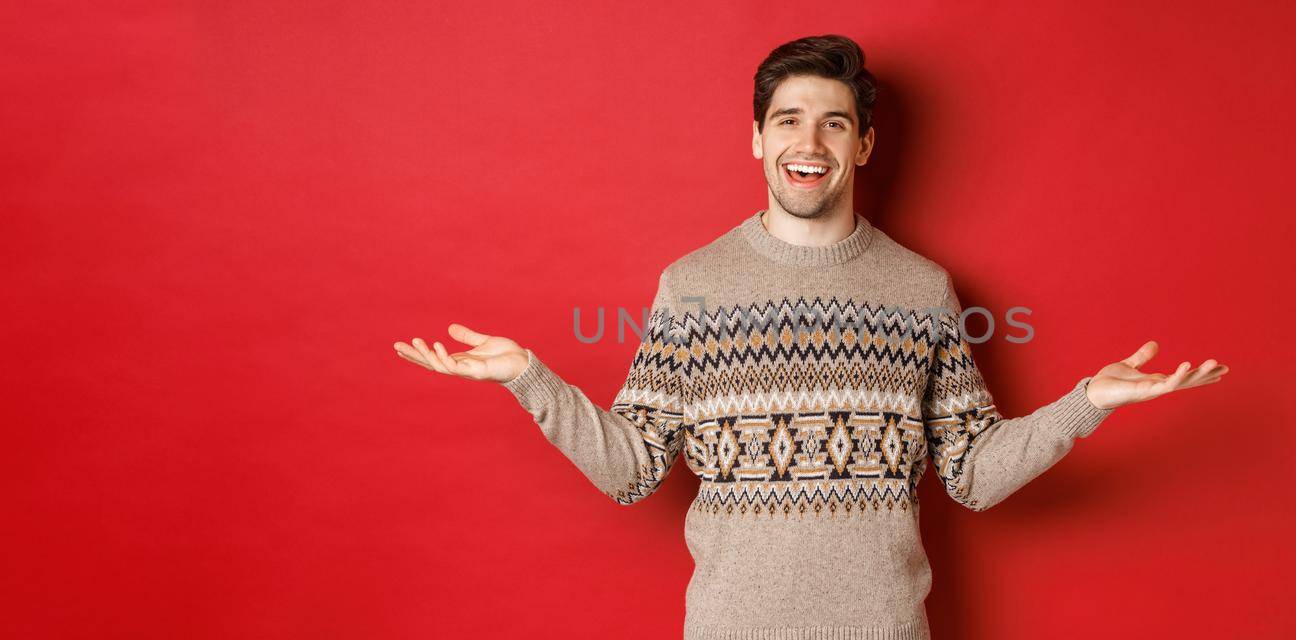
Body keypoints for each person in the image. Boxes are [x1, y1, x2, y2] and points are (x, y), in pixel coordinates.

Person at [394, 33, 1227, 640]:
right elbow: (634, 468)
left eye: (833, 123)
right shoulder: (693, 286)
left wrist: (1089, 403)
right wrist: (528, 378)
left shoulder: (921, 290)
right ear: (756, 138)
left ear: (861, 144)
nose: (808, 141)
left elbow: (973, 473)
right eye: (788, 119)